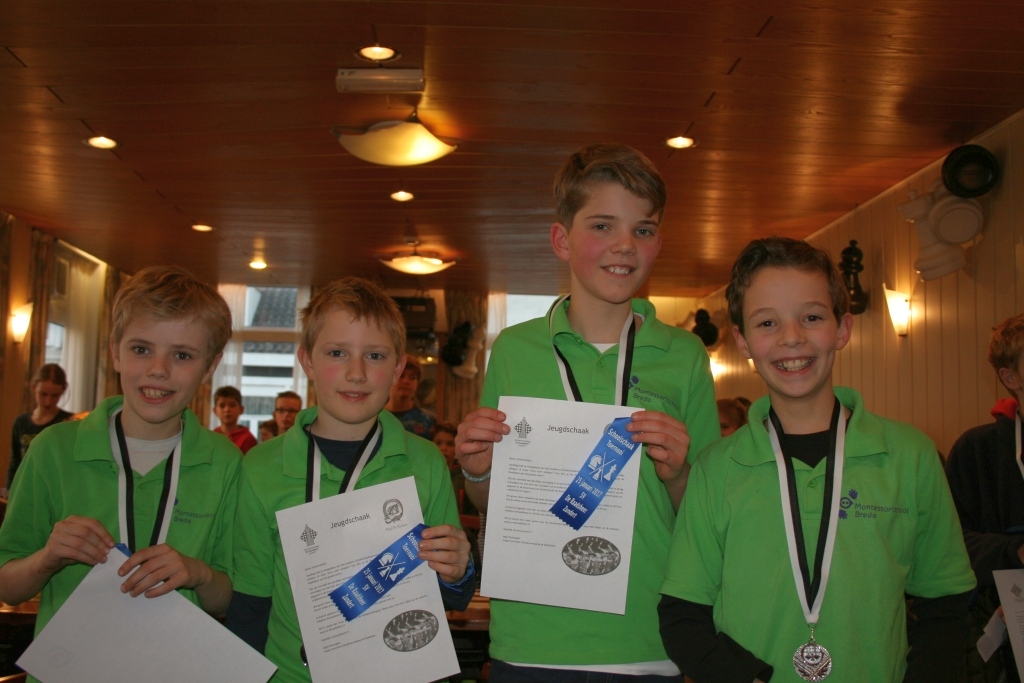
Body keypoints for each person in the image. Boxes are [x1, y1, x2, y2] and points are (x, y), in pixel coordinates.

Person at [455, 143, 719, 681]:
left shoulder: (685, 355)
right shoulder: (514, 349)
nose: (625, 245)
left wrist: (678, 474)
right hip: (531, 635)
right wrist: (477, 471)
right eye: (602, 225)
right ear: (561, 239)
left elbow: (707, 516)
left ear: (658, 243)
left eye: (643, 229)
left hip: (646, 636)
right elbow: (494, 502)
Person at [658, 237, 976, 682]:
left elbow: (945, 606)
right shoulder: (716, 468)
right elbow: (682, 615)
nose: (792, 337)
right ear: (743, 340)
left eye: (811, 317)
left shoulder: (910, 456)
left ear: (842, 329)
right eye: (767, 322)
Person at [226, 276, 473, 683]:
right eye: (337, 353)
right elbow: (251, 601)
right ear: (307, 361)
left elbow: (451, 596)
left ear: (398, 368)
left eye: (375, 355)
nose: (356, 373)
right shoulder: (261, 467)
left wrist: (457, 570)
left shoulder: (425, 461)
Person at [0, 265, 240, 670]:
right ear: (114, 351)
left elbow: (231, 597)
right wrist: (48, 557)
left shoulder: (225, 462)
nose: (158, 369)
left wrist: (198, 573)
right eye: (141, 349)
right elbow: (8, 587)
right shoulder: (53, 450)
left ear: (210, 366)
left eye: (182, 355)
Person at [945, 313, 1024, 683]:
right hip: (1001, 640)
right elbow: (949, 542)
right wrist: (1016, 551)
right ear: (1011, 377)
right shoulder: (977, 451)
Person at [5, 363, 73, 495]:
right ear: (34, 388)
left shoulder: (68, 422)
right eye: (43, 394)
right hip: (25, 489)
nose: (48, 401)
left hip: (54, 491)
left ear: (62, 392)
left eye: (55, 396)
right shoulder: (21, 422)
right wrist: (9, 491)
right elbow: (15, 461)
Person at [385, 354, 436, 437]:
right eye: (401, 376)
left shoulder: (429, 419)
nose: (406, 381)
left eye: (412, 377)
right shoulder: (374, 416)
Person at [213, 385, 258, 454]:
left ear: (241, 409)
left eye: (232, 405)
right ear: (215, 411)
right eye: (222, 406)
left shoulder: (247, 439)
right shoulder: (212, 436)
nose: (227, 410)